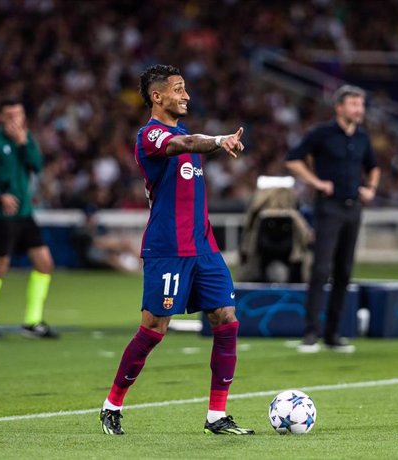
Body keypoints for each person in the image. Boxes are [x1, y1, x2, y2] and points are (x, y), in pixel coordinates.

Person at [99, 64, 254, 436]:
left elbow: (189, 144)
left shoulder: (186, 135)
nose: (186, 96)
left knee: (226, 319)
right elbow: (183, 145)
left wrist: (214, 142)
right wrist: (219, 140)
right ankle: (112, 405)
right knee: (154, 327)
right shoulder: (150, 136)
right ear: (157, 96)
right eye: (179, 89)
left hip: (204, 247)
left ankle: (217, 415)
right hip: (168, 247)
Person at [285, 85, 380, 353]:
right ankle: (310, 333)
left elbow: (373, 167)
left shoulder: (362, 137)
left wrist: (370, 188)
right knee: (320, 270)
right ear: (339, 107)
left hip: (353, 209)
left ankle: (333, 334)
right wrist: (316, 182)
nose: (359, 109)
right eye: (353, 104)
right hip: (329, 208)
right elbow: (293, 160)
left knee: (344, 271)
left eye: (361, 104)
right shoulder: (322, 133)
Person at [0, 99, 57, 339]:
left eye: (18, 114)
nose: (15, 120)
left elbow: (37, 166)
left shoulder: (25, 140)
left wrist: (23, 143)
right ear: (0, 118)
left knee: (45, 263)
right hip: (3, 215)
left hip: (25, 213)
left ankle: (33, 321)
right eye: (10, 115)